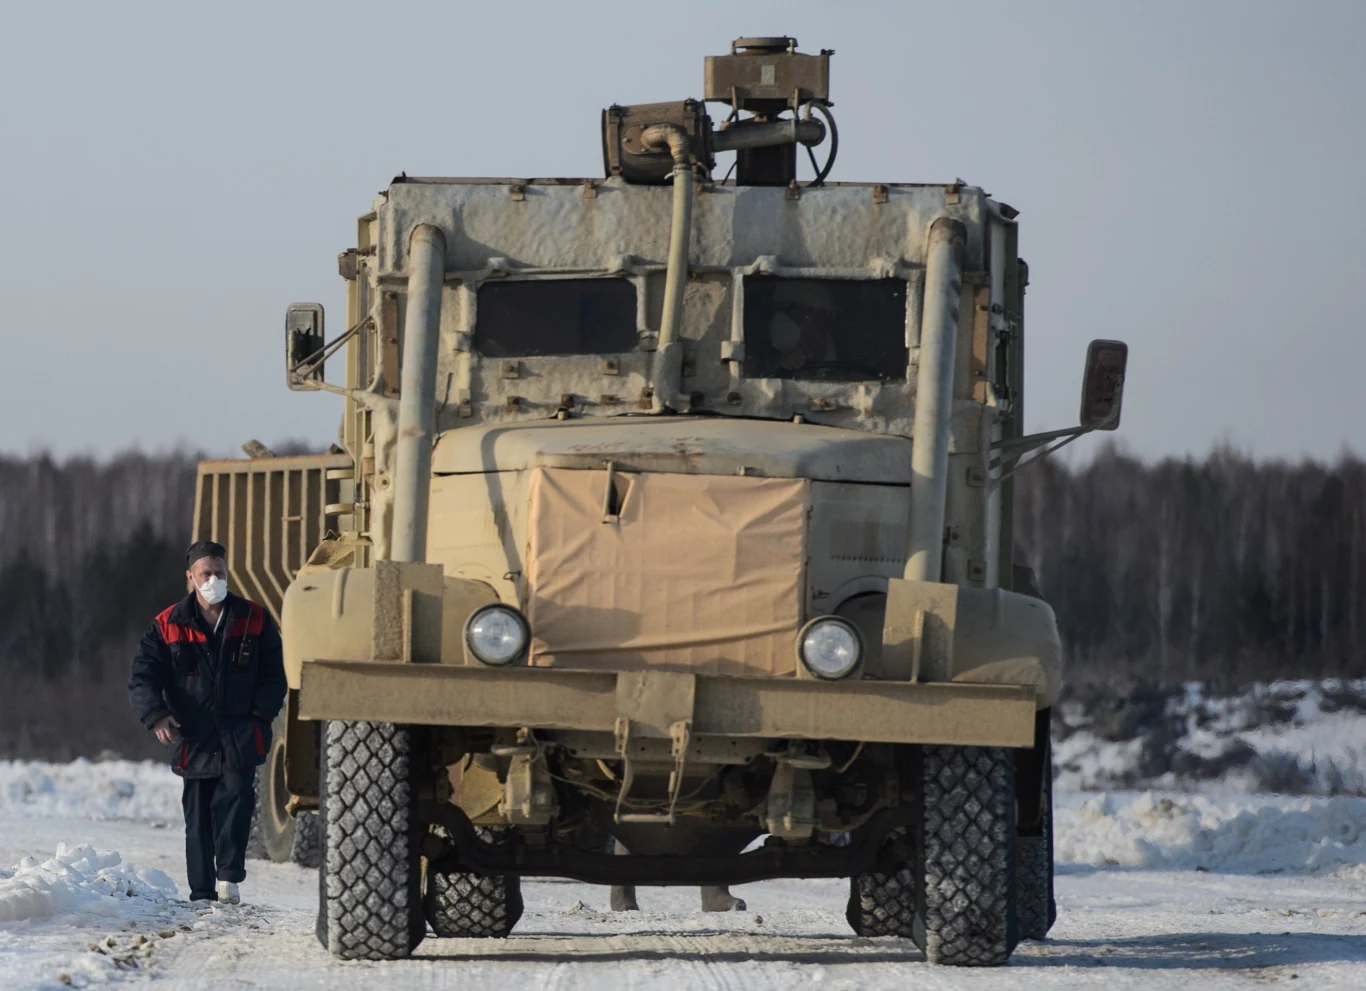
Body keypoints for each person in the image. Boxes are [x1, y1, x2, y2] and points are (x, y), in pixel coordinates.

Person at [128, 540, 286, 905]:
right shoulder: (166, 625)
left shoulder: (254, 619)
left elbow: (274, 675)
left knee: (237, 803)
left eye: (219, 573)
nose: (213, 579)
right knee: (198, 818)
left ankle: (228, 878)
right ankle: (201, 892)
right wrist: (157, 714)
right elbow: (142, 676)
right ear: (190, 577)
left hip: (240, 733)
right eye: (206, 573)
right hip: (192, 735)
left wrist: (261, 716)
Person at [768, 281, 838, 375]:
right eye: (785, 310)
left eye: (794, 310)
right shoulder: (757, 356)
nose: (780, 317)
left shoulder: (832, 353)